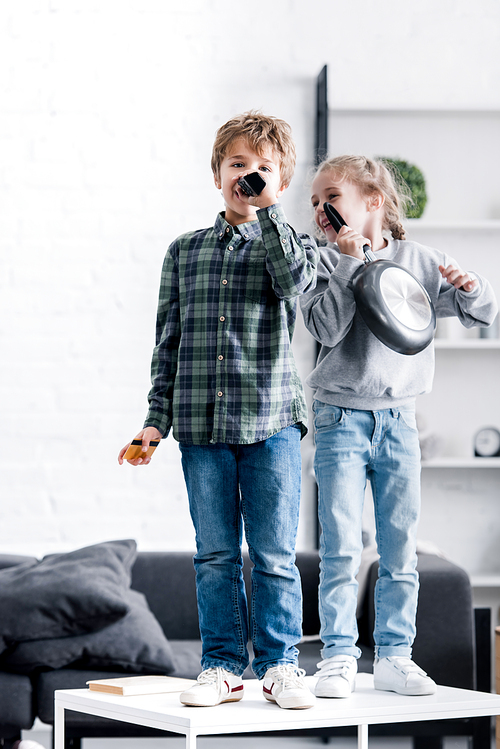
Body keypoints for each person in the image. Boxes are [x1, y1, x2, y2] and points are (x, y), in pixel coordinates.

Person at [118, 112, 319, 710]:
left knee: (276, 553)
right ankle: (223, 667)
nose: (248, 176)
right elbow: (168, 342)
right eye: (237, 165)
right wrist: (157, 419)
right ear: (216, 175)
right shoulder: (184, 252)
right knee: (214, 553)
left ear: (280, 181)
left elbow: (294, 285)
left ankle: (281, 665)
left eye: (263, 169)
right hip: (202, 427)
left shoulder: (289, 243)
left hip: (272, 423)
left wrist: (272, 214)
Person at [300, 155, 498, 700]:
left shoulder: (419, 260)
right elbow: (324, 326)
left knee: (399, 547)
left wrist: (471, 284)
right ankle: (339, 657)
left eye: (330, 197)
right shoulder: (317, 261)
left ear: (373, 201)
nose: (320, 209)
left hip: (399, 420)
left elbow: (481, 310)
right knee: (340, 544)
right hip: (339, 417)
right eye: (315, 201)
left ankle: (394, 656)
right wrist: (345, 263)